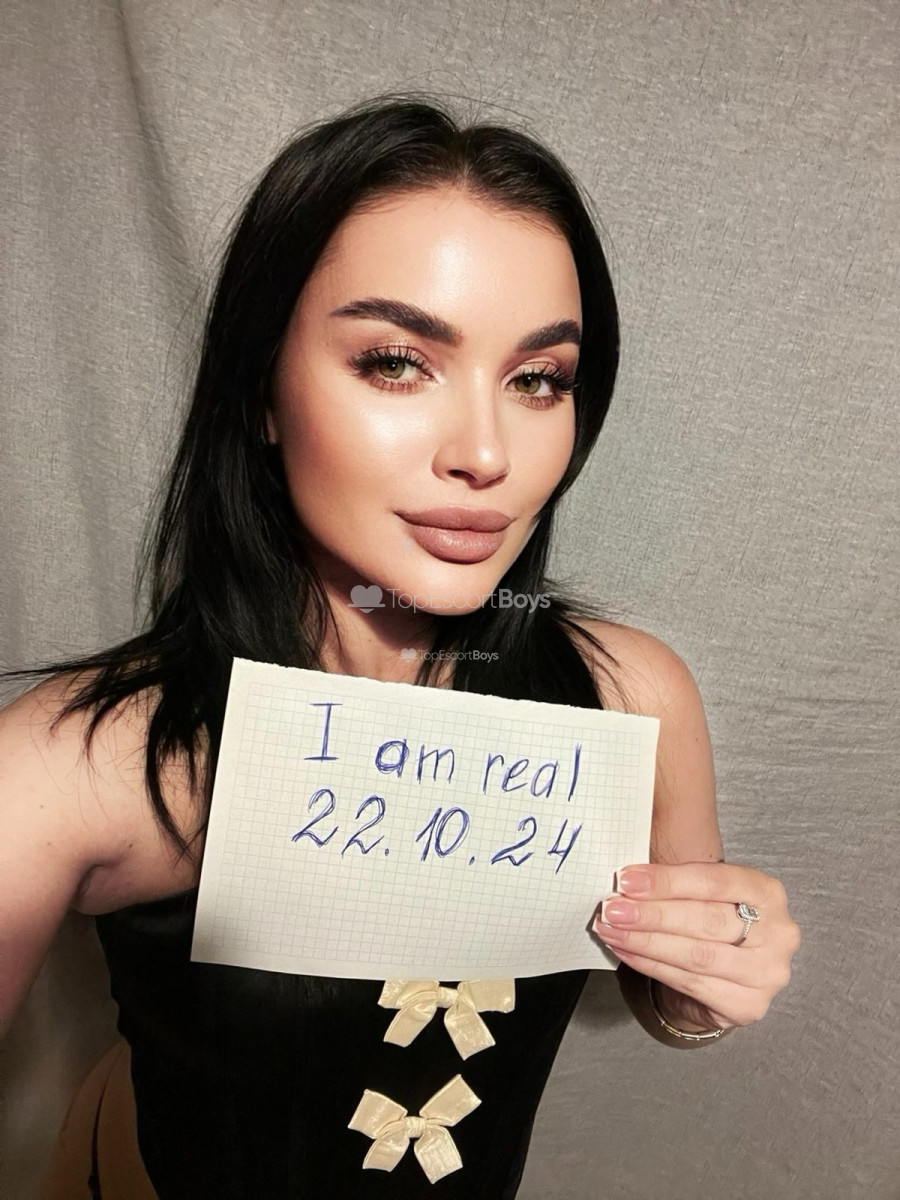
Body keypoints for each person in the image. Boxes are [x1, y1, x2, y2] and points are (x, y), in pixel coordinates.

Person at [0, 95, 800, 1198]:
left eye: (538, 380)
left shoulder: (632, 696)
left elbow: (673, 996)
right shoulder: (77, 762)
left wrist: (703, 977)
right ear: (261, 391)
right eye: (394, 362)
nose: (487, 453)